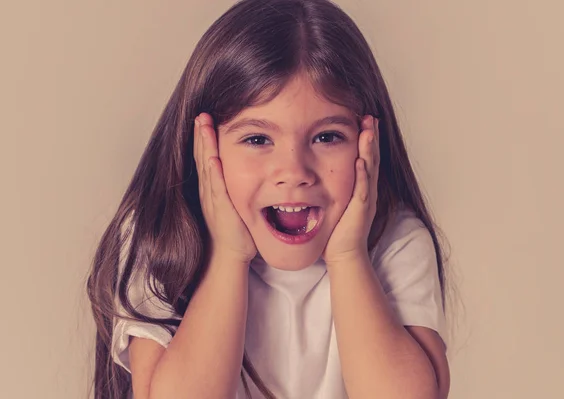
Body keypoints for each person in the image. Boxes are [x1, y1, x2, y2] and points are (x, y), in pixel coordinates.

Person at [87, 0, 451, 397]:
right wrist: (228, 255)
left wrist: (349, 257)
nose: (294, 171)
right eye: (257, 139)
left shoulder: (394, 239)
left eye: (327, 137)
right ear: (204, 147)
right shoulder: (161, 235)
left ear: (369, 144)